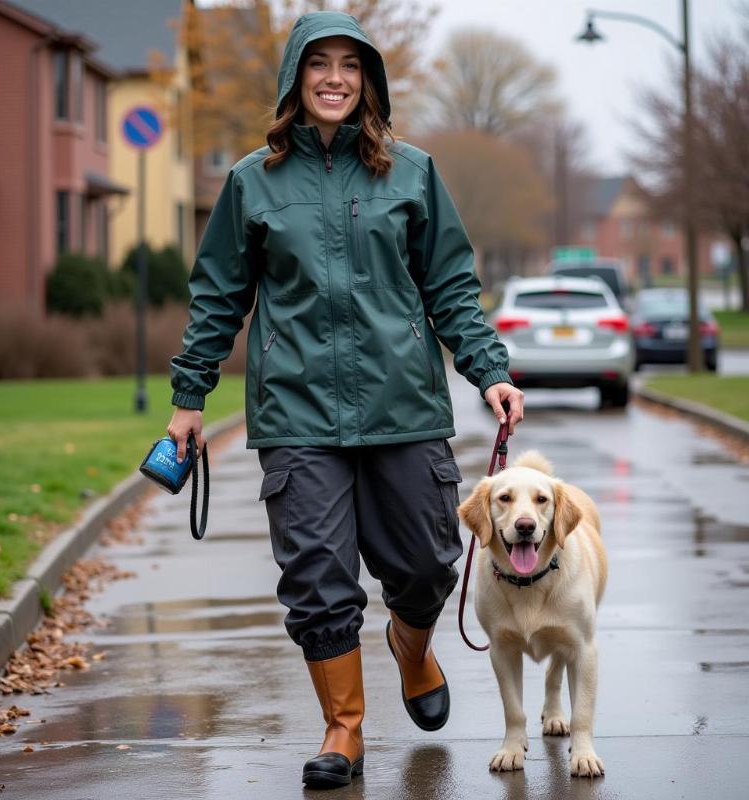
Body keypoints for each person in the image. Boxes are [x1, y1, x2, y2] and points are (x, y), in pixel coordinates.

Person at [166, 10, 524, 790]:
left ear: (370, 81)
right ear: (296, 77)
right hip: (296, 413)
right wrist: (190, 396)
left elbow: (452, 288)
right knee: (318, 579)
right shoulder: (250, 182)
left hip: (404, 406)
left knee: (428, 563)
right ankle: (344, 730)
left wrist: (489, 369)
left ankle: (412, 644)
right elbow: (218, 297)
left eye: (350, 66)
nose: (334, 78)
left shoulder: (413, 172)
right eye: (318, 64)